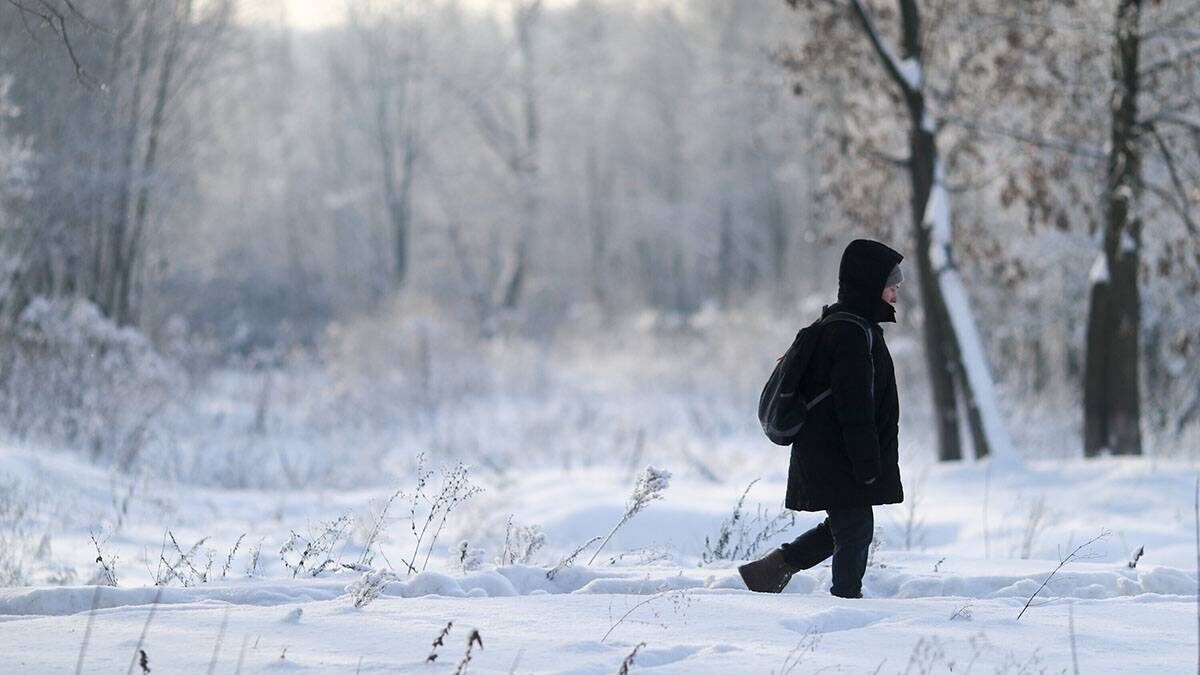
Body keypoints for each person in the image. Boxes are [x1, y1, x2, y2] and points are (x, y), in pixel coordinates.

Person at [739, 238, 906, 598]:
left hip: (832, 452)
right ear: (870, 285)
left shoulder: (851, 326)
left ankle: (769, 570)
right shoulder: (849, 333)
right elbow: (854, 404)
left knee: (847, 527)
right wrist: (866, 463)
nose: (895, 294)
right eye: (891, 285)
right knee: (855, 529)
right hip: (837, 454)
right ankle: (846, 599)